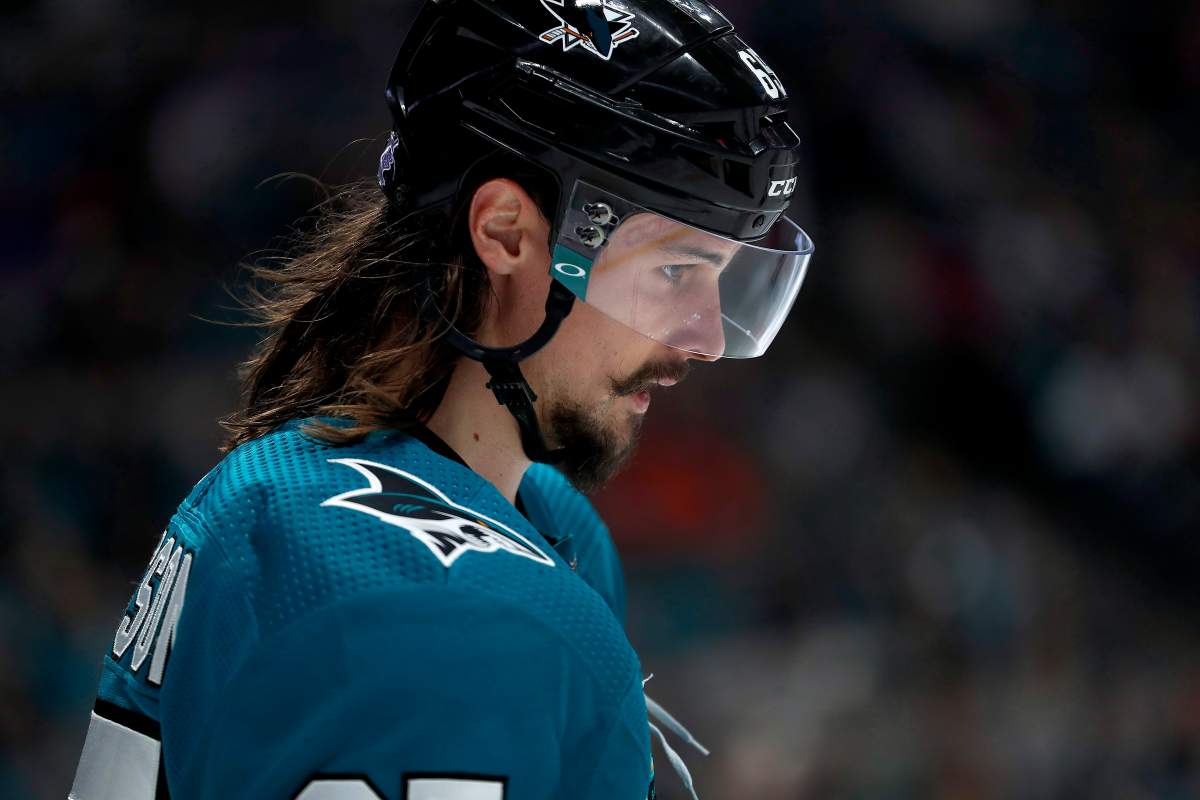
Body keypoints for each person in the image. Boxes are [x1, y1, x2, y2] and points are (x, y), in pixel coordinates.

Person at [68, 0, 813, 797]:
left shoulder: (303, 490)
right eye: (675, 270)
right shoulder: (461, 606)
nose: (704, 337)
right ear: (506, 232)